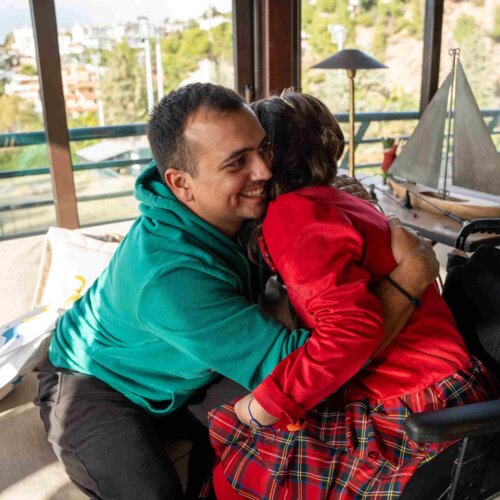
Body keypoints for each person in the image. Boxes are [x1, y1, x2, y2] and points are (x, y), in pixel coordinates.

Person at [35, 83, 439, 500]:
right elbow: (312, 363)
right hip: (97, 379)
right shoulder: (171, 279)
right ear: (181, 183)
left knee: (302, 436)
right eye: (237, 162)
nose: (264, 171)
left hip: (194, 370)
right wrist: (409, 278)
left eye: (263, 148)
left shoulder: (238, 204)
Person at [208, 91, 499, 499]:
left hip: (413, 404)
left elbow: (350, 330)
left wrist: (268, 403)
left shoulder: (294, 214)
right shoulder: (343, 201)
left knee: (240, 471)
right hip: (451, 386)